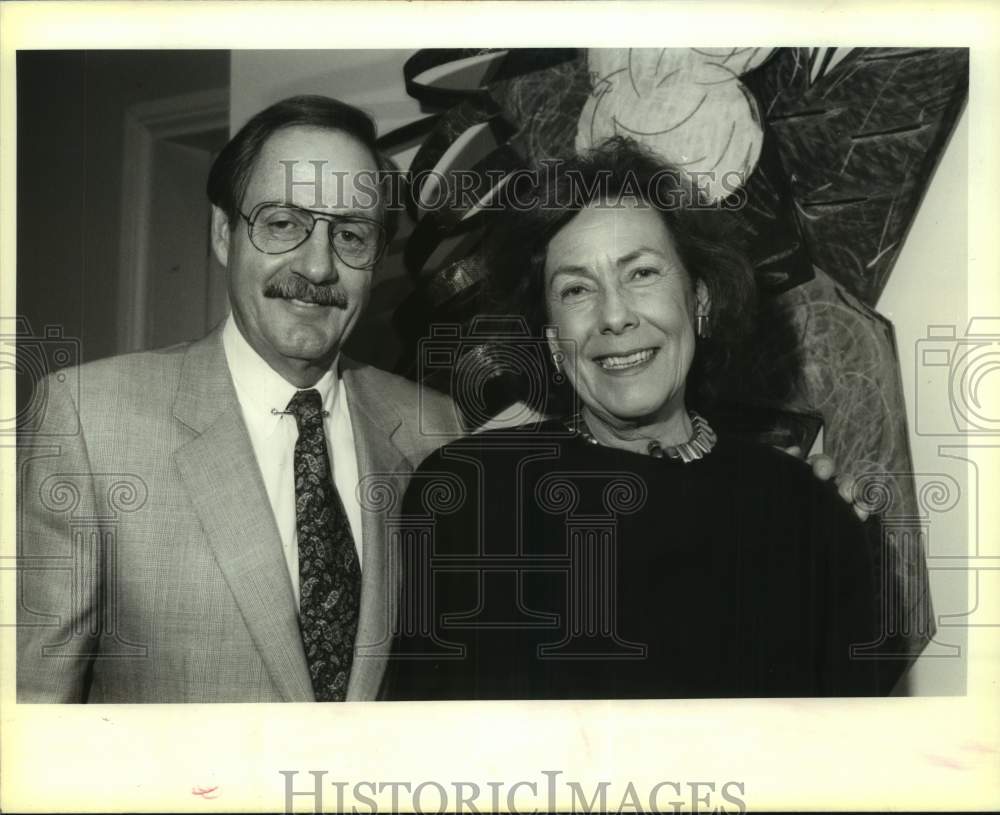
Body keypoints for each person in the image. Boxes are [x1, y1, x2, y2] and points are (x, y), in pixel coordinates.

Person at [383, 136, 894, 700]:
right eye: (577, 289)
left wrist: (820, 515)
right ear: (553, 338)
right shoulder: (465, 495)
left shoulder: (810, 514)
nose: (615, 315)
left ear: (699, 300)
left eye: (642, 273)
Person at [16, 95, 463, 703]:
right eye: (283, 223)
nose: (318, 266)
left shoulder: (432, 427)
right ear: (225, 233)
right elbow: (32, 717)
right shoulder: (89, 421)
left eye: (351, 235)